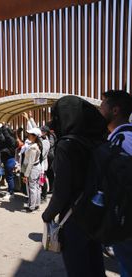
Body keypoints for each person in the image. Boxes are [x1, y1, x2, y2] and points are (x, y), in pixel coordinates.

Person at [42, 95, 107, 276]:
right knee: (95, 264)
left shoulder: (67, 145)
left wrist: (48, 215)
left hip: (75, 217)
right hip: (96, 212)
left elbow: (61, 191)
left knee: (77, 268)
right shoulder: (96, 141)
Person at [99, 90, 132, 277]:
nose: (99, 110)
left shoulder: (124, 141)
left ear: (115, 111)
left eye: (102, 106)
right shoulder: (121, 137)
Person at [21, 127, 42, 213]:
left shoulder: (33, 147)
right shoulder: (34, 145)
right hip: (36, 168)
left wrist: (26, 175)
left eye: (30, 134)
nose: (28, 135)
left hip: (33, 168)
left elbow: (30, 163)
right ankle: (36, 204)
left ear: (34, 136)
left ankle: (32, 207)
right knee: (36, 187)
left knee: (33, 188)